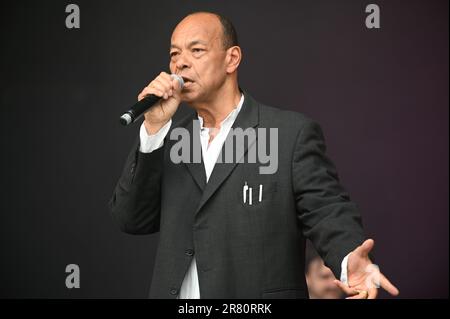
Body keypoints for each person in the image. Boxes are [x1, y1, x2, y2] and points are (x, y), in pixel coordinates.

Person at [109, 11, 399, 299]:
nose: (180, 62)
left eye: (196, 50)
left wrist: (349, 260)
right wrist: (154, 128)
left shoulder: (288, 134)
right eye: (174, 54)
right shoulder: (168, 140)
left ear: (231, 59)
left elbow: (325, 210)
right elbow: (131, 219)